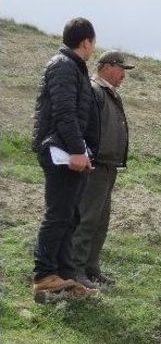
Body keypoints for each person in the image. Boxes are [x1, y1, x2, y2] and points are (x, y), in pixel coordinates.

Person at [31, 17, 100, 299]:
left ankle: (66, 276)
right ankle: (45, 274)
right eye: (93, 43)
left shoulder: (74, 68)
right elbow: (63, 112)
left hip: (69, 150)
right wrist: (76, 150)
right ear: (86, 41)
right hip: (59, 150)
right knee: (58, 213)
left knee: (70, 215)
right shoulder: (63, 66)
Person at [68, 51, 133, 289]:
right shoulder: (94, 91)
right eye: (121, 69)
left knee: (100, 220)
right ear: (106, 67)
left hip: (108, 165)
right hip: (94, 165)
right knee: (87, 219)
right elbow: (83, 126)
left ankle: (91, 267)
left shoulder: (109, 94)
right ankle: (75, 270)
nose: (124, 75)